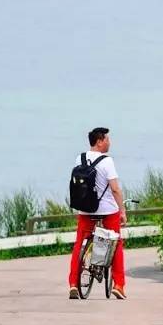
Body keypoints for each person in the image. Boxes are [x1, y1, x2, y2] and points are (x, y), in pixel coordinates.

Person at [68, 127, 127, 299]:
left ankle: (73, 283)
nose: (109, 142)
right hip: (107, 211)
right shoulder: (107, 161)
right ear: (99, 141)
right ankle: (119, 285)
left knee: (79, 243)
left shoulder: (80, 158)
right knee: (116, 243)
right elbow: (115, 189)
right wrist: (122, 210)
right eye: (107, 139)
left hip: (85, 209)